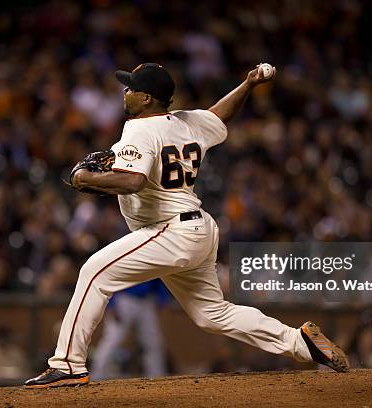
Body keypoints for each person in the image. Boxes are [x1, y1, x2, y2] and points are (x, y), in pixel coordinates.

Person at [25, 63, 349, 388]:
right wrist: (248, 84)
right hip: (198, 229)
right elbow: (219, 116)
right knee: (213, 314)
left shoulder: (139, 129)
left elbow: (133, 181)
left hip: (171, 230)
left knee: (94, 271)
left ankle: (67, 364)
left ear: (148, 98)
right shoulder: (185, 121)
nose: (125, 92)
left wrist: (85, 178)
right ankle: (298, 342)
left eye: (131, 88)